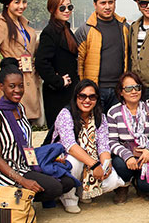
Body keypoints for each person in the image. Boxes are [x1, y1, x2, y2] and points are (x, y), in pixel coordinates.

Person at [0, 58, 75, 204]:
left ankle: (25, 196)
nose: (17, 90)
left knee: (67, 181)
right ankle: (18, 199)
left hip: (25, 165)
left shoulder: (20, 108)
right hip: (7, 172)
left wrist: (38, 167)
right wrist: (23, 180)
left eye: (20, 86)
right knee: (55, 188)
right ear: (1, 86)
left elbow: (26, 145)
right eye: (12, 86)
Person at [51, 79, 125, 212]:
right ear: (76, 97)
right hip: (64, 158)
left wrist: (106, 165)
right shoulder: (66, 114)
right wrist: (95, 165)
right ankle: (68, 197)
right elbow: (70, 146)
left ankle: (83, 191)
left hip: (91, 158)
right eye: (82, 96)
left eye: (92, 97)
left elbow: (103, 145)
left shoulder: (100, 117)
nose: (87, 100)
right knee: (75, 161)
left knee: (113, 180)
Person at [107, 72, 149, 202]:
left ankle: (140, 184)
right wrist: (127, 156)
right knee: (119, 165)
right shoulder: (113, 112)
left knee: (147, 186)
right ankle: (124, 185)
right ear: (121, 92)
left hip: (147, 157)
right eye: (128, 88)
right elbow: (112, 141)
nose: (134, 91)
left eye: (137, 87)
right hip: (126, 158)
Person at [75, 0, 130, 113]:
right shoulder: (86, 29)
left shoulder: (124, 27)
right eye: (103, 3)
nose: (107, 7)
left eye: (110, 2)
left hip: (119, 89)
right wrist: (84, 88)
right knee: (96, 122)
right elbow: (79, 61)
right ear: (95, 4)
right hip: (95, 90)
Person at [35, 0, 79, 131]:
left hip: (70, 91)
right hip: (57, 94)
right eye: (62, 8)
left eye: (69, 7)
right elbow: (41, 62)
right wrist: (58, 81)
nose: (67, 11)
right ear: (52, 10)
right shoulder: (49, 32)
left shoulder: (65, 29)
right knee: (59, 133)